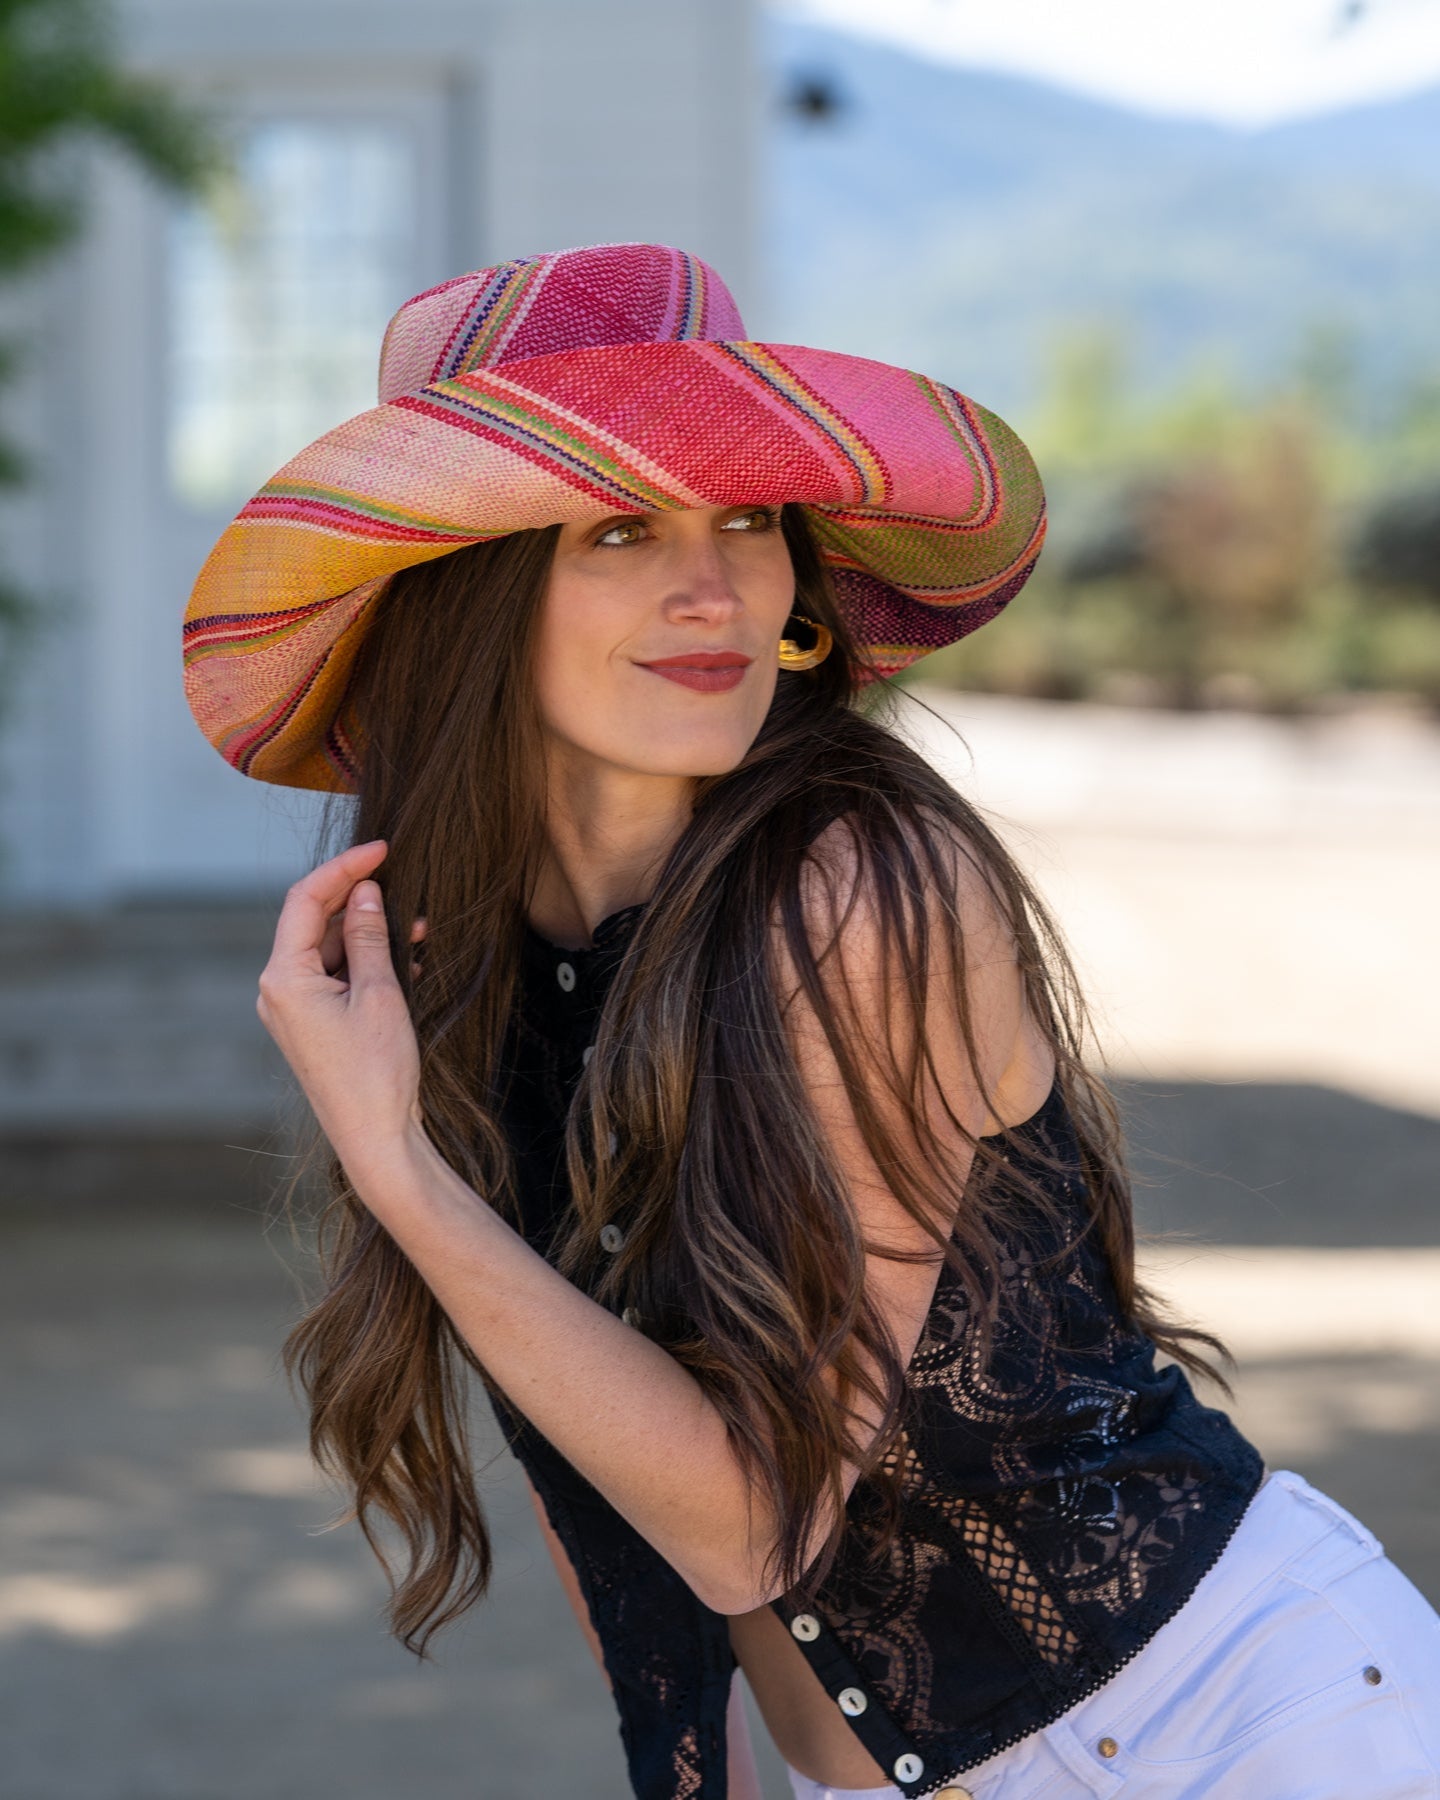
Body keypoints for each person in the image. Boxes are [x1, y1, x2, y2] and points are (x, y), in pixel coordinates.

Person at [182, 244, 1440, 1800]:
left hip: (1233, 1729)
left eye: (748, 520)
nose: (712, 588)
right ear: (469, 595)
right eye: (620, 530)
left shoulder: (856, 889)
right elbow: (604, 1480)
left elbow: (748, 1522)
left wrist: (401, 1169)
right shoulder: (472, 961)